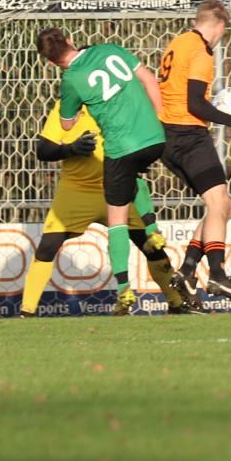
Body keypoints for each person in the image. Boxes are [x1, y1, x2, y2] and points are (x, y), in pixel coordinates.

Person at [39, 27, 171, 316]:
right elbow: (149, 79)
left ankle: (124, 291)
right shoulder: (110, 49)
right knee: (136, 175)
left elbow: (67, 125)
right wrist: (159, 118)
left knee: (117, 221)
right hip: (155, 137)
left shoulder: (71, 79)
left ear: (51, 62)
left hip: (120, 148)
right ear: (71, 40)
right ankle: (152, 229)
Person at [19, 101, 191, 316]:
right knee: (47, 246)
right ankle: (27, 311)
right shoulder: (68, 107)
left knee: (150, 245)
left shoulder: (120, 104)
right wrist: (70, 149)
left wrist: (137, 159)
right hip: (76, 190)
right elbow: (43, 150)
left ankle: (176, 304)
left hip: (118, 184)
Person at [157, 0, 231, 305]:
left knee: (222, 205)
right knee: (218, 202)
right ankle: (216, 273)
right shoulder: (200, 49)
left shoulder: (178, 42)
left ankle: (187, 271)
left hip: (168, 135)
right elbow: (195, 104)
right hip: (187, 134)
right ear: (219, 25)